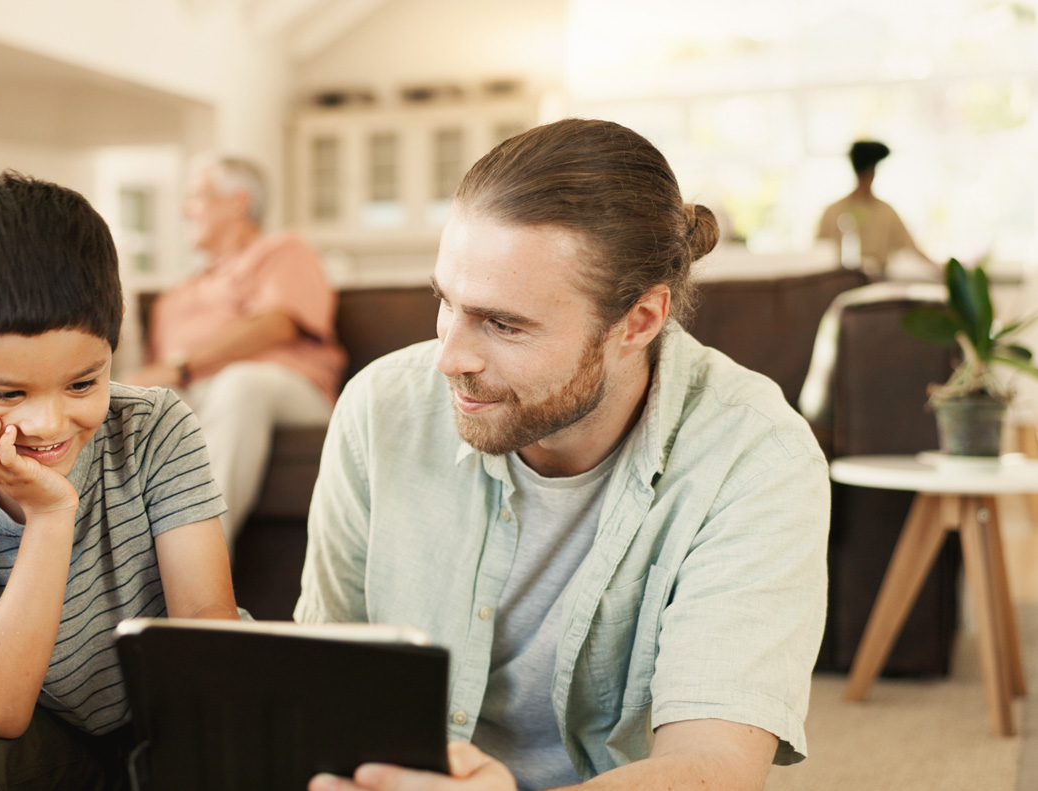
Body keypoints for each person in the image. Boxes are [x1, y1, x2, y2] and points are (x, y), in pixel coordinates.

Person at [297, 119, 830, 791]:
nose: (450, 358)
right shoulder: (381, 408)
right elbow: (322, 681)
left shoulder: (756, 456)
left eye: (503, 323)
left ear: (638, 321)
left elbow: (715, 767)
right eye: (446, 303)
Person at [0, 172, 239, 791]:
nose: (47, 423)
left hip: (185, 719)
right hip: (56, 745)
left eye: (82, 384)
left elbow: (204, 625)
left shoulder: (155, 427)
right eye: (8, 392)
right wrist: (48, 517)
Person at [124, 155, 346, 547]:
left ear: (237, 202)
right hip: (197, 392)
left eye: (196, 196)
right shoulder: (178, 294)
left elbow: (277, 323)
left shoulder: (282, 249)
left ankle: (202, 561)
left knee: (240, 384)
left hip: (286, 388)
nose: (183, 209)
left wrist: (183, 366)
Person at [816, 140, 936, 279]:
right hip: (841, 282)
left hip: (876, 282)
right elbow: (820, 254)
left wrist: (938, 269)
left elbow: (910, 247)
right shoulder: (834, 212)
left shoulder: (886, 212)